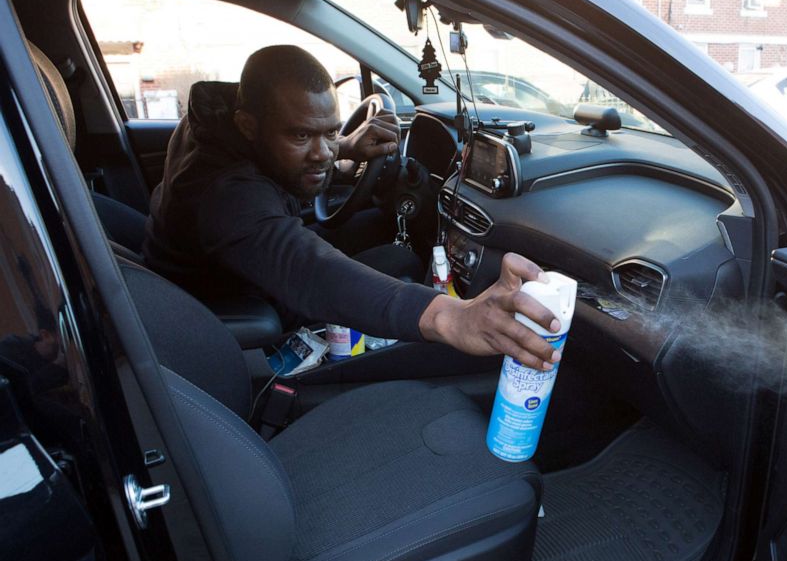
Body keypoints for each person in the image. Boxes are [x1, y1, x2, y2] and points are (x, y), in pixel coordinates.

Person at [144, 45, 560, 370]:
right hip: (230, 310)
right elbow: (311, 270)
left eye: (330, 131)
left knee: (369, 226)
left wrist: (346, 147)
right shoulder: (228, 195)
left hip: (223, 274)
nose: (323, 152)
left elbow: (305, 152)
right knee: (398, 260)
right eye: (303, 136)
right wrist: (454, 317)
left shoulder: (211, 121)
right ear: (249, 125)